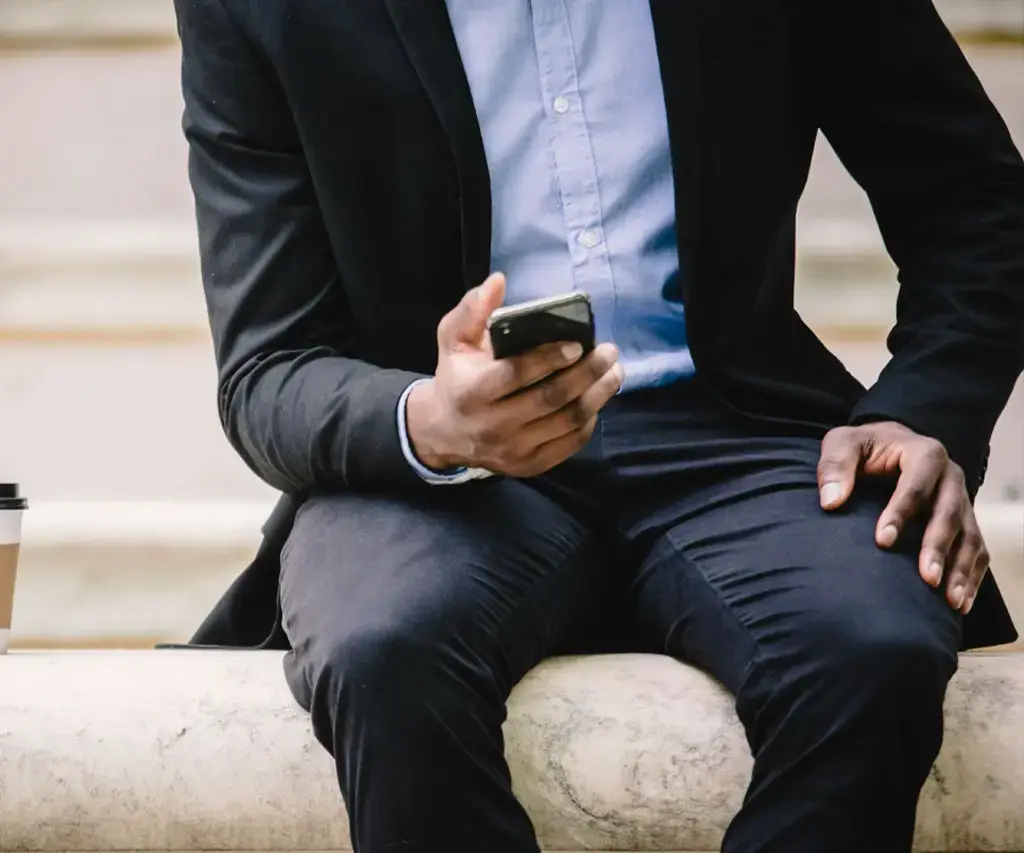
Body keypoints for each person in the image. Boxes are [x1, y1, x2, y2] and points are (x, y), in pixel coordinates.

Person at [173, 1, 1024, 850]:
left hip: (735, 434)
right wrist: (432, 419)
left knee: (873, 648)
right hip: (444, 471)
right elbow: (268, 365)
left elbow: (976, 202)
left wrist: (923, 411)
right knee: (385, 650)